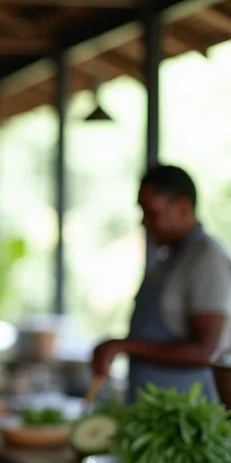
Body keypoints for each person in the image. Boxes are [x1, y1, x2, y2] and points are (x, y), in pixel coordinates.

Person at [92, 164, 231, 402]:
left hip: (184, 414)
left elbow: (207, 351)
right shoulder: (169, 257)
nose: (144, 222)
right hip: (151, 409)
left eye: (151, 213)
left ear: (182, 208)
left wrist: (123, 346)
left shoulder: (206, 259)